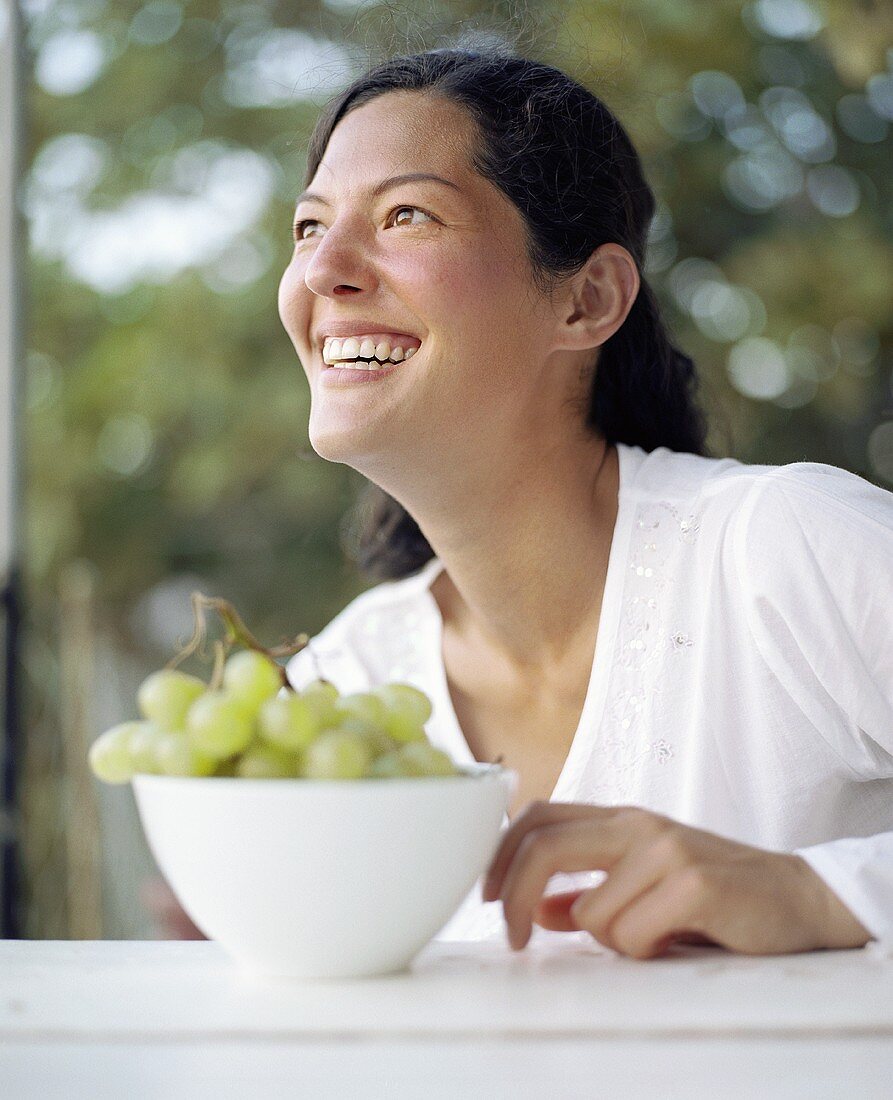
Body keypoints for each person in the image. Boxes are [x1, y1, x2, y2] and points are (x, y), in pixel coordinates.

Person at [151, 47, 893, 957]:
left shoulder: (787, 551)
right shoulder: (347, 681)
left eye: (406, 215)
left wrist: (819, 895)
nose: (322, 271)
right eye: (308, 228)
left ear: (586, 300)